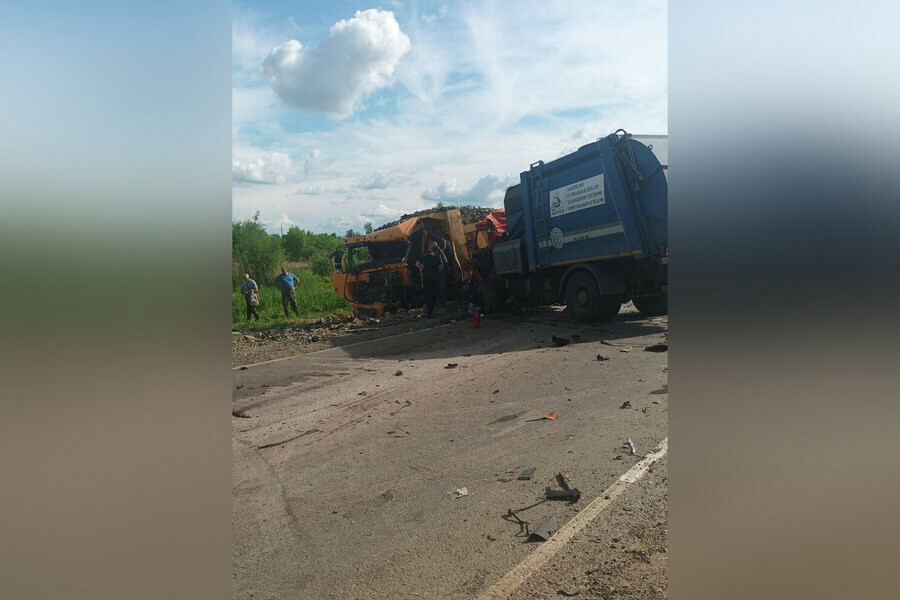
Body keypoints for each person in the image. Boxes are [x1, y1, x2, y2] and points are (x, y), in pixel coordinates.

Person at [416, 246, 444, 318]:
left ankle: (429, 312)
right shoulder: (437, 258)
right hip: (434, 278)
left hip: (426, 279)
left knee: (428, 294)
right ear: (437, 252)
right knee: (434, 294)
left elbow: (417, 263)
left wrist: (422, 269)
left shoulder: (424, 257)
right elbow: (441, 268)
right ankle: (430, 312)